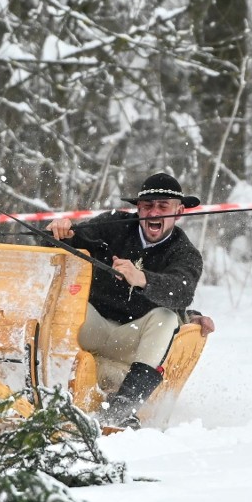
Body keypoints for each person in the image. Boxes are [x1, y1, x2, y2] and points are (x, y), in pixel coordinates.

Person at [46, 172, 214, 428]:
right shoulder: (113, 225)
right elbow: (64, 242)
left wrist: (142, 279)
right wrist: (60, 231)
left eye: (163, 206)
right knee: (66, 299)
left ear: (179, 212)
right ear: (138, 209)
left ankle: (122, 409)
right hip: (93, 325)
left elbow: (182, 292)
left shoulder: (186, 253)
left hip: (131, 342)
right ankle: (42, 389)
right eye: (147, 206)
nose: (154, 213)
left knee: (166, 317)